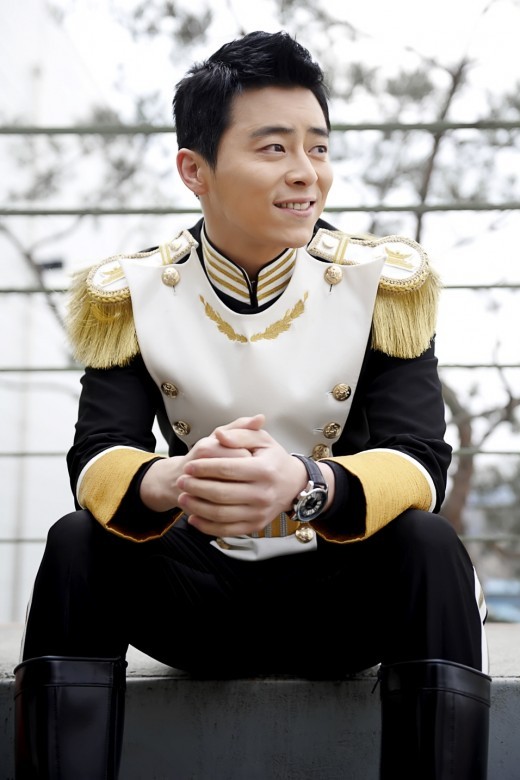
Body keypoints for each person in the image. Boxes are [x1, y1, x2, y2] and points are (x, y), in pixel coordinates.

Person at [14, 30, 491, 780]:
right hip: (197, 599)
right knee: (77, 541)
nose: (307, 172)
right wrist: (173, 481)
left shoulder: (384, 284)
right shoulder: (130, 293)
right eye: (274, 148)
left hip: (338, 601)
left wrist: (306, 483)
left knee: (430, 545)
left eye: (318, 147)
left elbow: (420, 460)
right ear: (194, 170)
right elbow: (97, 454)